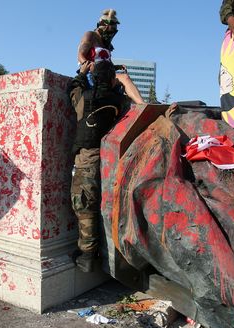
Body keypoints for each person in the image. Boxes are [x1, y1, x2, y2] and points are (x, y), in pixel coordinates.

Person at [68, 9, 144, 272]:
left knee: (84, 201)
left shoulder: (86, 98)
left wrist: (82, 75)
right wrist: (84, 64)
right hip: (108, 154)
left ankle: (88, 257)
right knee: (102, 202)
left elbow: (74, 90)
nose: (110, 28)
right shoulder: (116, 100)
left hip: (89, 154)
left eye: (113, 25)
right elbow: (82, 48)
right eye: (107, 24)